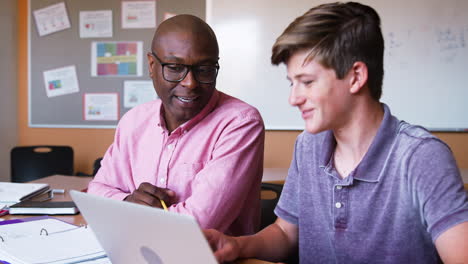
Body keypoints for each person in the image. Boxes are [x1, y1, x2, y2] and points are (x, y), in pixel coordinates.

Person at [204, 2, 468, 263]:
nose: (293, 98)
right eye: (291, 83)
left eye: (307, 82)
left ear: (355, 76)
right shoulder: (307, 146)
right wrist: (237, 245)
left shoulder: (421, 157)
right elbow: (285, 234)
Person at [87, 15, 265, 236]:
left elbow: (200, 223)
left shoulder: (240, 123)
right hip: (137, 250)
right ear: (152, 65)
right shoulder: (133, 121)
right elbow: (96, 191)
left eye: (205, 69)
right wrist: (126, 202)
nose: (190, 83)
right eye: (174, 67)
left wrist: (126, 214)